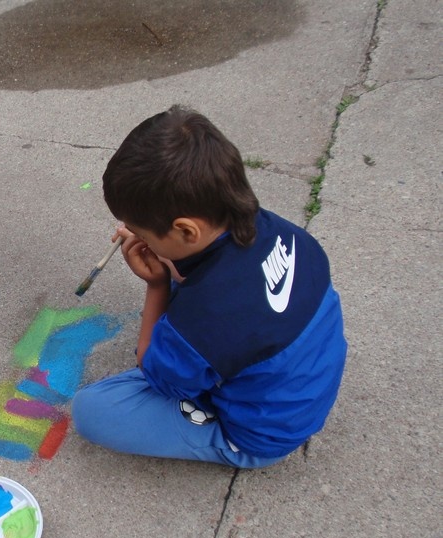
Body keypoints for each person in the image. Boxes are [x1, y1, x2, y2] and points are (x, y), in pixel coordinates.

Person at [72, 106, 347, 468]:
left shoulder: (207, 316)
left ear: (187, 230)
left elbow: (157, 375)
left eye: (142, 232)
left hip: (262, 434)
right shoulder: (282, 231)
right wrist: (167, 253)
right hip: (302, 384)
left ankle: (223, 437)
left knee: (92, 410)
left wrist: (158, 284)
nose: (134, 235)